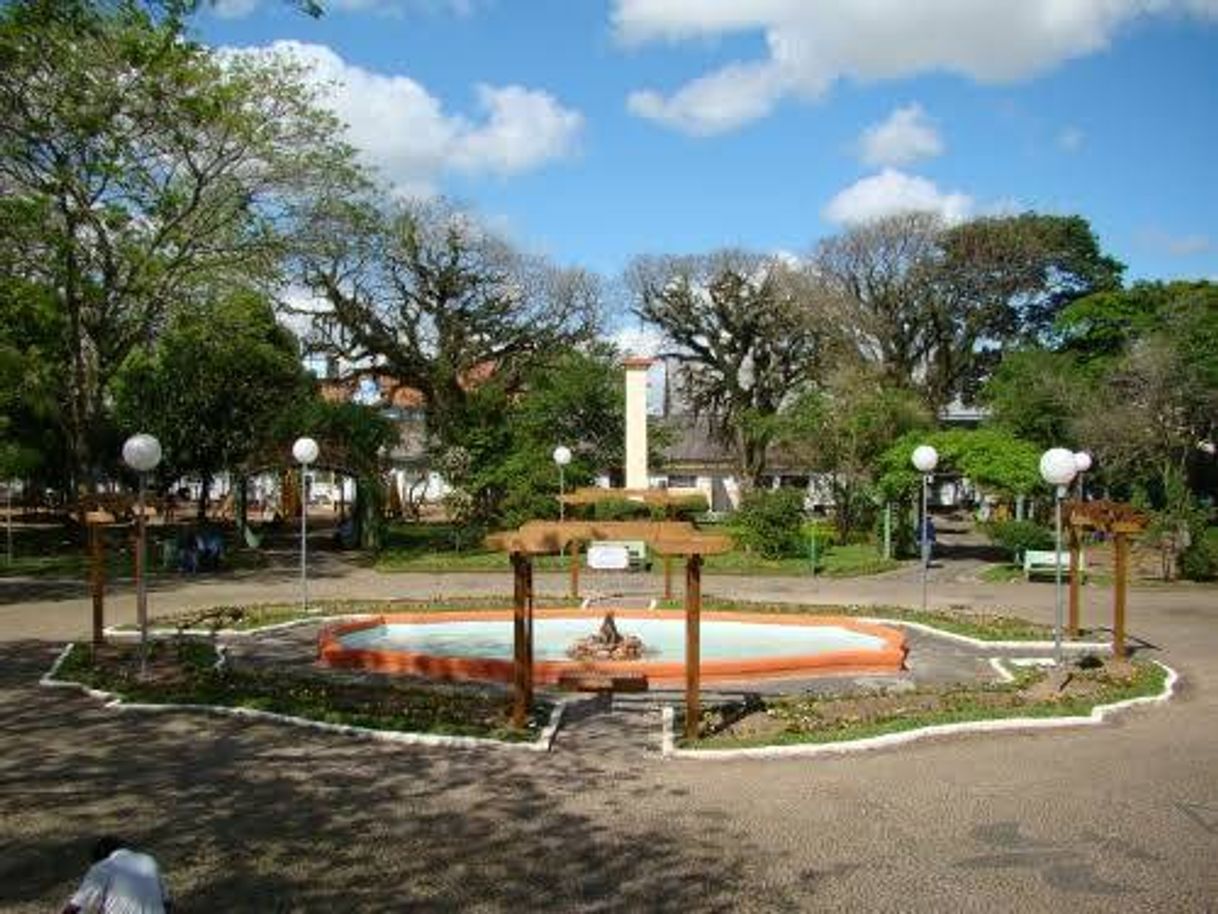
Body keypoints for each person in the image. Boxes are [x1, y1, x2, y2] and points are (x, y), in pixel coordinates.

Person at [62, 836, 171, 914]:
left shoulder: (102, 867)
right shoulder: (149, 860)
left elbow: (74, 908)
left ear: (101, 857)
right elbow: (166, 902)